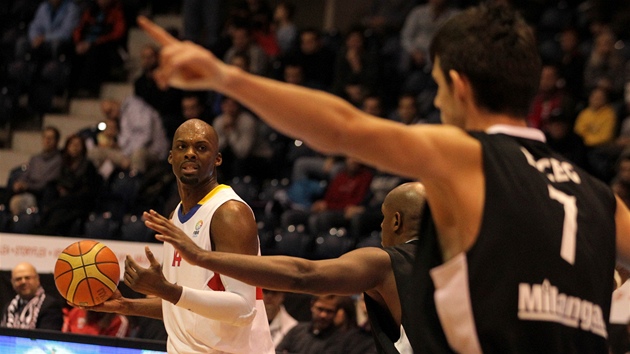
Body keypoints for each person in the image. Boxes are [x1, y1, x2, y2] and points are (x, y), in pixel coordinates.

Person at [138, 3, 630, 352]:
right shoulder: (599, 198)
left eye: (437, 88)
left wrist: (224, 77)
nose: (437, 103)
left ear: (458, 86)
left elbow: (343, 127)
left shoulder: (468, 157)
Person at [144, 182, 427, 352]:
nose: (380, 226)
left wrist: (202, 256)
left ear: (396, 222)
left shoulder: (384, 262)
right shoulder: (459, 262)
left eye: (384, 218)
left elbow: (303, 275)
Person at [81, 119, 274, 353]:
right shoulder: (175, 216)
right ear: (171, 156)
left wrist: (168, 290)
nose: (190, 153)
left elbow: (243, 310)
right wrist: (126, 306)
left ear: (217, 159)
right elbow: (183, 305)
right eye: (182, 147)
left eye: (201, 148)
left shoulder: (229, 213)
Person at [1, 262, 64, 330]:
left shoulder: (51, 306)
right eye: (18, 279)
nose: (23, 282)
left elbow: (47, 338)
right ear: (12, 283)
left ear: (37, 280)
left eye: (27, 278)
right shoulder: (9, 307)